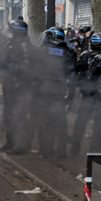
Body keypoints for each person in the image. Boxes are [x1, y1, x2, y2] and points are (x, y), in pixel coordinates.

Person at [34, 27, 75, 158]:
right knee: (60, 123)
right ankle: (61, 152)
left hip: (42, 91)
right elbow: (72, 75)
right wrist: (71, 95)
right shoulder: (67, 53)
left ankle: (45, 150)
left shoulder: (40, 51)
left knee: (43, 122)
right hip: (59, 92)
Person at [0, 18, 32, 155]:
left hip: (19, 88)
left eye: (11, 29)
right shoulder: (12, 44)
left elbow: (26, 69)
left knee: (19, 116)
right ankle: (10, 141)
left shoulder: (24, 46)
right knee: (9, 115)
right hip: (10, 86)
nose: (8, 32)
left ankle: (21, 145)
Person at [70, 32, 101, 156]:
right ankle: (96, 151)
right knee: (99, 123)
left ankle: (75, 148)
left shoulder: (85, 55)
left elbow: (75, 70)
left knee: (81, 122)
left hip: (87, 94)